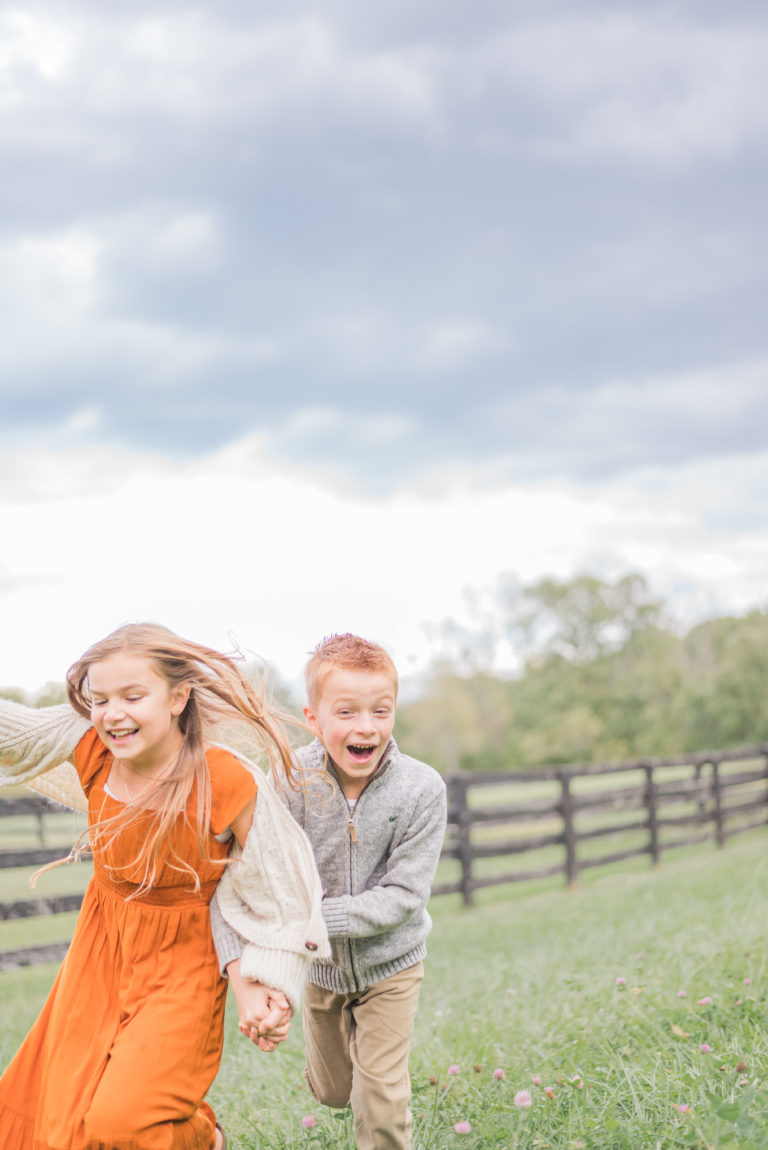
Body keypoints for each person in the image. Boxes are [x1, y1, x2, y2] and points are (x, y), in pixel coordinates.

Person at [0, 623, 328, 1150]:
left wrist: (269, 978)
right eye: (99, 699)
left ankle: (204, 1138)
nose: (113, 713)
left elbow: (281, 884)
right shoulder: (93, 751)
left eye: (133, 696)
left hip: (183, 967)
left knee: (120, 1124)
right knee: (66, 1112)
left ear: (179, 697)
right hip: (100, 954)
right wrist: (96, 706)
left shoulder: (225, 779)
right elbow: (15, 731)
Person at [212, 633, 447, 1150]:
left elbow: (404, 896)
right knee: (335, 1091)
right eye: (346, 712)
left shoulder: (421, 789)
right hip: (318, 968)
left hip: (393, 963)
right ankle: (335, 1079)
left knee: (380, 1095)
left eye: (380, 711)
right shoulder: (288, 781)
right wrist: (282, 946)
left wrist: (311, 920)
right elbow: (255, 878)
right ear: (314, 718)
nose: (366, 726)